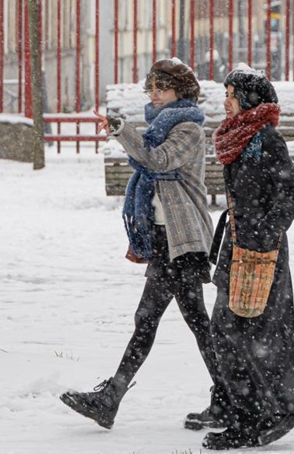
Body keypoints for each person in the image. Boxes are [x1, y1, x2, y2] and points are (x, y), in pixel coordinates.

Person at [60, 58, 229, 431]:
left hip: (183, 240)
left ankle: (112, 398)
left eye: (161, 88)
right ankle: (230, 397)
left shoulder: (187, 129)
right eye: (150, 88)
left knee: (158, 320)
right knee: (186, 321)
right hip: (163, 238)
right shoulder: (157, 127)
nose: (154, 94)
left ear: (180, 92)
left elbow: (156, 161)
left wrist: (121, 130)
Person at [200, 64, 294, 450]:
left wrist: (263, 235)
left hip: (261, 253)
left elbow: (292, 195)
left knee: (247, 333)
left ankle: (259, 415)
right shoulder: (239, 136)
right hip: (237, 247)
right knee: (230, 331)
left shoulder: (265, 139)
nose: (225, 102)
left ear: (248, 100)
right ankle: (251, 410)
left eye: (231, 95)